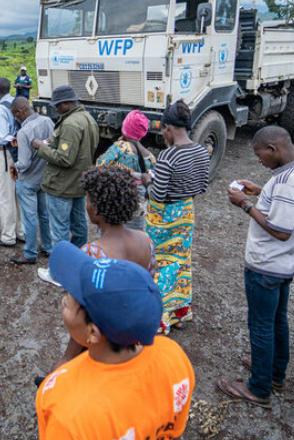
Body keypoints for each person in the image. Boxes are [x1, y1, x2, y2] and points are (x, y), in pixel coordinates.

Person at [36, 242, 194, 440]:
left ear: (93, 333)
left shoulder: (62, 401)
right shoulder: (173, 356)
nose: (63, 301)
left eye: (70, 299)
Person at [219, 126, 294, 407]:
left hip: (268, 264)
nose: (259, 160)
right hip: (289, 263)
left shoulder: (286, 182)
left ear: (273, 148)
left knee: (261, 324)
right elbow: (292, 203)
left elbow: (280, 229)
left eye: (259, 154)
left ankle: (259, 387)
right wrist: (262, 190)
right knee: (278, 318)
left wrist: (245, 204)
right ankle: (275, 372)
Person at [43, 165, 156, 371]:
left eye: (87, 200)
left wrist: (67, 358)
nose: (86, 205)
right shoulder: (146, 241)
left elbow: (86, 311)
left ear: (95, 209)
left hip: (102, 340)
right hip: (131, 336)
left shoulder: (92, 253)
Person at [139, 101, 210, 332]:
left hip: (163, 218)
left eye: (162, 129)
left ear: (168, 127)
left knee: (160, 265)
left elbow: (156, 195)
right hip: (187, 211)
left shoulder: (168, 155)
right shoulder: (201, 150)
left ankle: (160, 319)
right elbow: (203, 186)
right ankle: (180, 312)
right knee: (181, 261)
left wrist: (148, 179)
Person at [33, 85, 99, 249]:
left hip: (62, 185)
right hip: (79, 183)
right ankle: (78, 259)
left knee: (59, 230)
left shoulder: (70, 124)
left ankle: (58, 271)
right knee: (79, 226)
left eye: (58, 105)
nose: (55, 108)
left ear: (67, 103)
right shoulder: (88, 118)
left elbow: (65, 159)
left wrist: (41, 146)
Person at [9, 97, 55, 265]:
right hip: (45, 177)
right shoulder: (48, 121)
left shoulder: (24, 132)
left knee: (29, 218)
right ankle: (48, 247)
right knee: (44, 214)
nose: (15, 118)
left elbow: (25, 163)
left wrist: (14, 165)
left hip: (28, 181)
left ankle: (29, 253)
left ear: (20, 111)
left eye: (15, 115)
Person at [96, 110, 156, 231]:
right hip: (139, 207)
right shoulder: (150, 157)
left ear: (125, 128)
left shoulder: (120, 147)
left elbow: (99, 166)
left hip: (118, 201)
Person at [0, 78, 23, 248]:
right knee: (18, 195)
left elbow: (3, 138)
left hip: (6, 155)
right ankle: (21, 231)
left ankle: (8, 236)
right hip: (20, 154)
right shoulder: (17, 103)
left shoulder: (1, 108)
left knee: (5, 196)